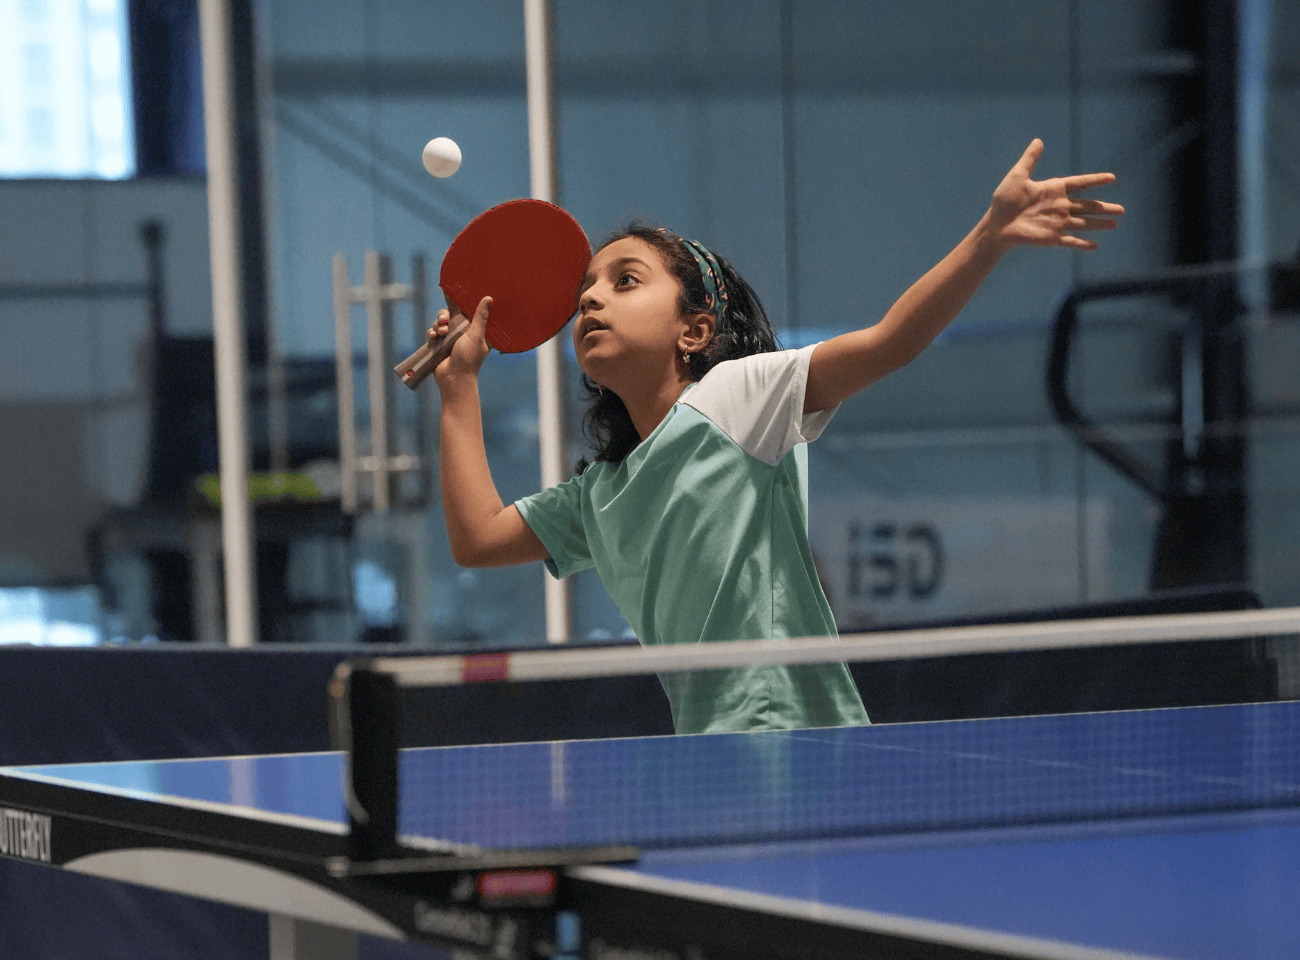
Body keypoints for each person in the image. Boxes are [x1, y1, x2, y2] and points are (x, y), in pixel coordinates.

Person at [428, 139, 1123, 734]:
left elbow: (892, 341)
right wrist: (459, 386)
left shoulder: (734, 400)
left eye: (625, 280)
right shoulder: (599, 495)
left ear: (694, 331)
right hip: (711, 748)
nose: (589, 298)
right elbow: (477, 538)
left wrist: (988, 238)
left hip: (793, 732)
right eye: (586, 290)